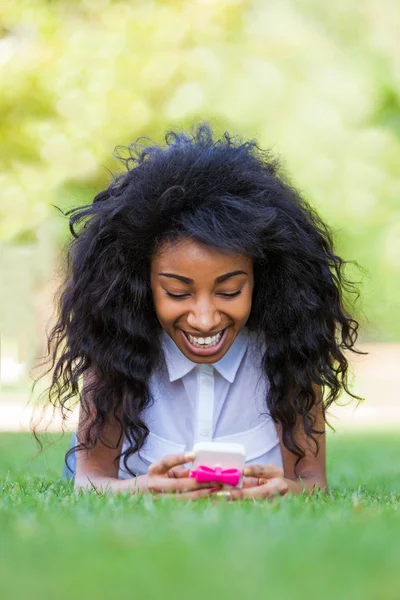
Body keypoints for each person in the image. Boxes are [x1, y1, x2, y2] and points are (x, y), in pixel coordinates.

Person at [42, 123, 363, 500]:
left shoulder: (288, 355)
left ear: (261, 279)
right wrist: (141, 487)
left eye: (229, 290)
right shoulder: (117, 355)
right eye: (178, 292)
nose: (205, 318)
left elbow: (313, 486)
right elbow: (87, 482)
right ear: (144, 283)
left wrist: (285, 490)